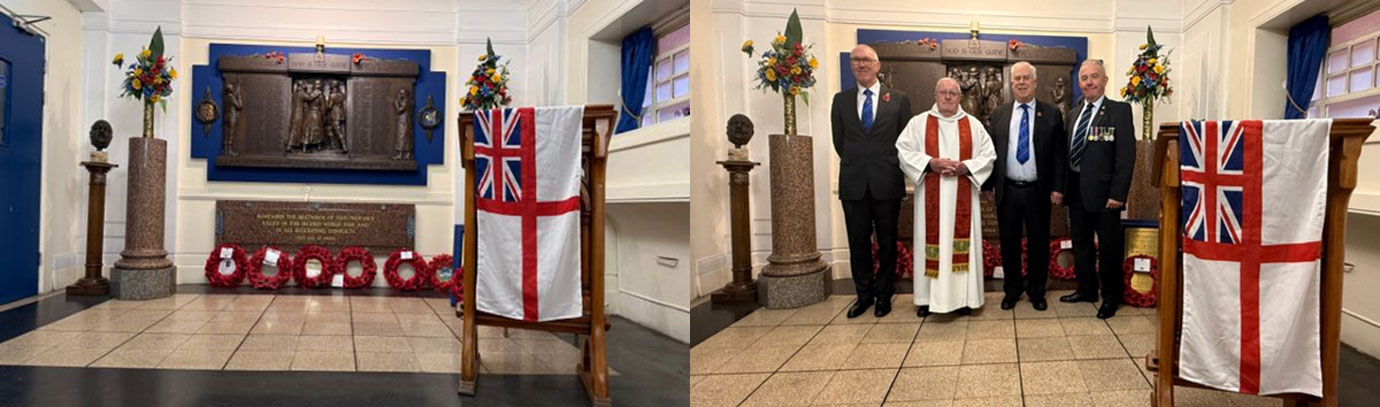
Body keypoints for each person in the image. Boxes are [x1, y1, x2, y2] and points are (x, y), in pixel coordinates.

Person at [897, 77, 996, 317]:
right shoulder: (918, 123)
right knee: (931, 244)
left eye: (953, 93)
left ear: (960, 97)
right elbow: (903, 150)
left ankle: (963, 299)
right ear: (935, 95)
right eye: (944, 92)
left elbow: (989, 155)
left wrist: (967, 167)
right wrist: (930, 163)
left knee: (960, 245)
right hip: (930, 199)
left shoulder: (973, 125)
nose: (948, 97)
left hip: (963, 198)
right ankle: (927, 299)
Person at [831, 44, 912, 318]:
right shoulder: (840, 100)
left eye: (866, 60)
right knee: (858, 243)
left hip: (886, 181)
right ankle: (863, 295)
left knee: (888, 242)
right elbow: (839, 142)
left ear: (877, 65)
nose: (861, 64)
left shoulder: (898, 99)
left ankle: (884, 295)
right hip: (853, 183)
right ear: (851, 65)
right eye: (856, 60)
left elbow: (905, 140)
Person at [983, 62, 1067, 312]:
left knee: (1038, 243)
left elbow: (1059, 154)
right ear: (1011, 83)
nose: (1021, 82)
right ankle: (1012, 290)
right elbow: (991, 153)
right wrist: (988, 186)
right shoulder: (999, 114)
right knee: (1008, 243)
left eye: (1026, 78)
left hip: (1038, 190)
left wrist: (1058, 187)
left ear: (1035, 82)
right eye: (1017, 78)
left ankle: (1036, 291)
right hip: (1007, 190)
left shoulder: (1051, 113)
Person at [1059, 59, 1135, 319]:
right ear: (1079, 83)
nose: (1089, 82)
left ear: (1104, 80)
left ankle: (1111, 297)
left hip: (1106, 196)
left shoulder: (1119, 111)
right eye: (1084, 78)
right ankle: (1086, 289)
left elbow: (1126, 156)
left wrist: (1118, 194)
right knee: (1081, 245)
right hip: (1077, 192)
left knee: (1109, 247)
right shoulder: (1073, 114)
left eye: (1094, 77)